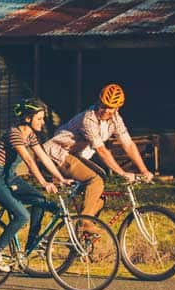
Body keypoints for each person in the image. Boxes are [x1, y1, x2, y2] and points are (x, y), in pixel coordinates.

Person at [0, 96, 69, 272]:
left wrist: (61, 177)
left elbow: (43, 156)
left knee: (40, 201)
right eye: (39, 118)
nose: (43, 123)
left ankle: (30, 246)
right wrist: (44, 182)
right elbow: (28, 159)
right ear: (28, 118)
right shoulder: (14, 134)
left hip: (9, 177)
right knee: (22, 215)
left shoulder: (31, 136)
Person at [45, 83, 154, 217]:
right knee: (95, 180)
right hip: (57, 152)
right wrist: (122, 173)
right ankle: (84, 222)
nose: (106, 111)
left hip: (75, 154)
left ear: (118, 108)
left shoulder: (116, 119)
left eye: (111, 108)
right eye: (103, 106)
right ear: (98, 101)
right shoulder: (88, 119)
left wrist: (143, 170)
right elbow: (102, 151)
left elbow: (128, 144)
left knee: (100, 186)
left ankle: (85, 232)